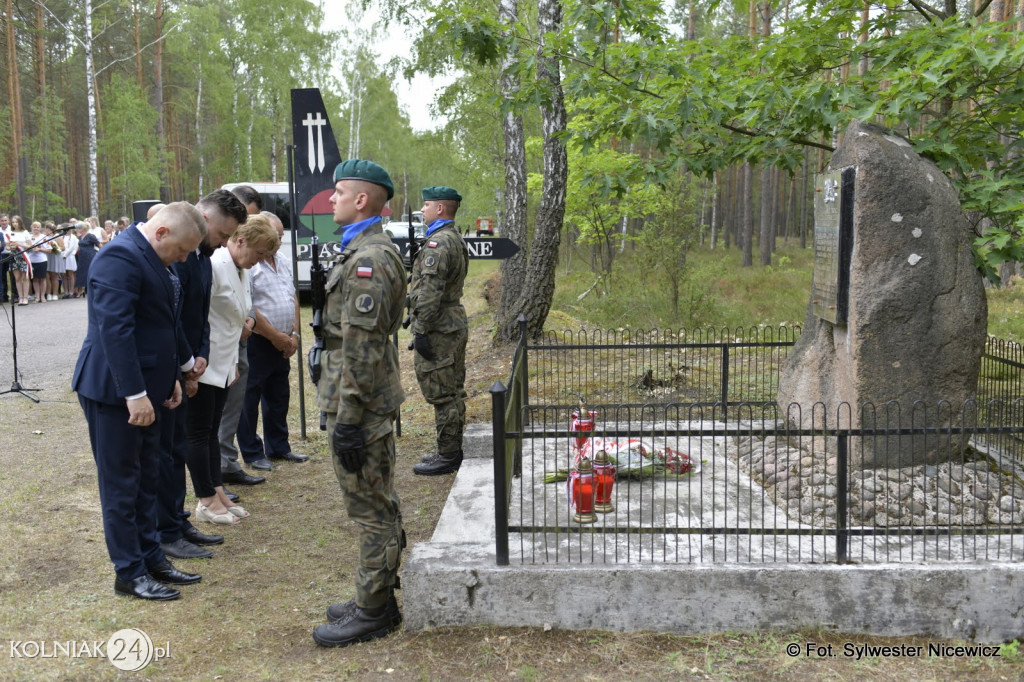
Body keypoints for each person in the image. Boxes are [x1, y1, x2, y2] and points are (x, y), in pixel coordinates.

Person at [71, 202, 207, 601]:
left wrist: (174, 377)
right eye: (181, 251)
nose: (183, 259)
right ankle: (129, 572)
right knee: (121, 485)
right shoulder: (119, 256)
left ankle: (152, 558)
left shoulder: (152, 254)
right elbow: (116, 332)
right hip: (116, 393)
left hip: (153, 386)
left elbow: (164, 322)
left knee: (148, 478)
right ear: (161, 232)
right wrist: (135, 395)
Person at [312, 159, 407, 648]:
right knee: (374, 501)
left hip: (360, 406)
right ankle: (377, 596)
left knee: (371, 508)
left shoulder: (369, 260)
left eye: (339, 192)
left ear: (362, 200)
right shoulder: (362, 251)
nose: (331, 199)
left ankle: (373, 611)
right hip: (360, 401)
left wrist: (347, 419)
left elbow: (362, 350)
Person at [157, 190, 249, 559]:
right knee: (174, 449)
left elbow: (201, 317)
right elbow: (173, 317)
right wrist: (186, 364)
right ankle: (176, 520)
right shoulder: (179, 256)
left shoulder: (201, 257)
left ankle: (178, 521)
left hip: (197, 362)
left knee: (184, 442)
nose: (224, 243)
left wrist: (202, 356)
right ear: (205, 219)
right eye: (223, 235)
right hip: (175, 367)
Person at [186, 214, 278, 526]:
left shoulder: (240, 268)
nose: (260, 261)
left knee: (212, 431)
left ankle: (217, 491)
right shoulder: (215, 264)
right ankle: (206, 500)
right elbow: (197, 315)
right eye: (259, 253)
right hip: (205, 363)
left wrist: (235, 359)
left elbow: (242, 310)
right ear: (240, 241)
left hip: (225, 363)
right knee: (199, 433)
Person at [235, 211, 308, 470]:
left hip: (285, 341)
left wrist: (294, 334)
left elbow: (292, 297)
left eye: (280, 236)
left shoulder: (284, 260)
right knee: (249, 397)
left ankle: (278, 446)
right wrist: (275, 336)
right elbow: (250, 307)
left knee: (279, 395)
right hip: (259, 340)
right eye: (274, 236)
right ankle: (253, 453)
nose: (277, 241)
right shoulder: (251, 263)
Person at [408, 187, 470, 476]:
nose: (423, 209)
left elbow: (430, 293)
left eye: (427, 204)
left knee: (442, 391)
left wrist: (420, 329)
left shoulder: (439, 244)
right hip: (452, 320)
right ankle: (452, 448)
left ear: (440, 210)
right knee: (453, 388)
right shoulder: (452, 237)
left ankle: (448, 454)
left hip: (439, 326)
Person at [219, 186, 269, 481]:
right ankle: (220, 469)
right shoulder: (218, 262)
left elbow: (247, 300)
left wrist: (249, 321)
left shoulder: (242, 265)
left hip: (239, 344)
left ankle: (227, 463)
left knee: (233, 408)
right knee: (220, 414)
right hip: (221, 351)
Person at [26, 222, 49, 303]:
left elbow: (49, 250)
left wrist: (40, 249)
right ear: (31, 228)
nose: (36, 228)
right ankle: (37, 296)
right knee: (35, 279)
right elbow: (26, 249)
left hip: (42, 260)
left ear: (40, 228)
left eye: (38, 227)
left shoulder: (44, 237)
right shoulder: (28, 237)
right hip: (32, 260)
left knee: (42, 278)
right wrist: (30, 249)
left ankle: (43, 296)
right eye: (34, 227)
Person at [43, 221, 66, 300]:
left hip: (55, 256)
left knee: (54, 276)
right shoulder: (44, 237)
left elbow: (63, 248)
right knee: (47, 276)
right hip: (46, 256)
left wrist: (55, 248)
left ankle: (55, 294)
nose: (47, 231)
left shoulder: (57, 237)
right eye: (47, 229)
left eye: (49, 229)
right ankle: (48, 293)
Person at [62, 224, 79, 298]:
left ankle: (71, 291)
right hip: (62, 256)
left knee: (70, 274)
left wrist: (65, 255)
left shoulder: (73, 237)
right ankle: (66, 291)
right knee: (63, 274)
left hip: (69, 256)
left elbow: (72, 247)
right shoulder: (62, 236)